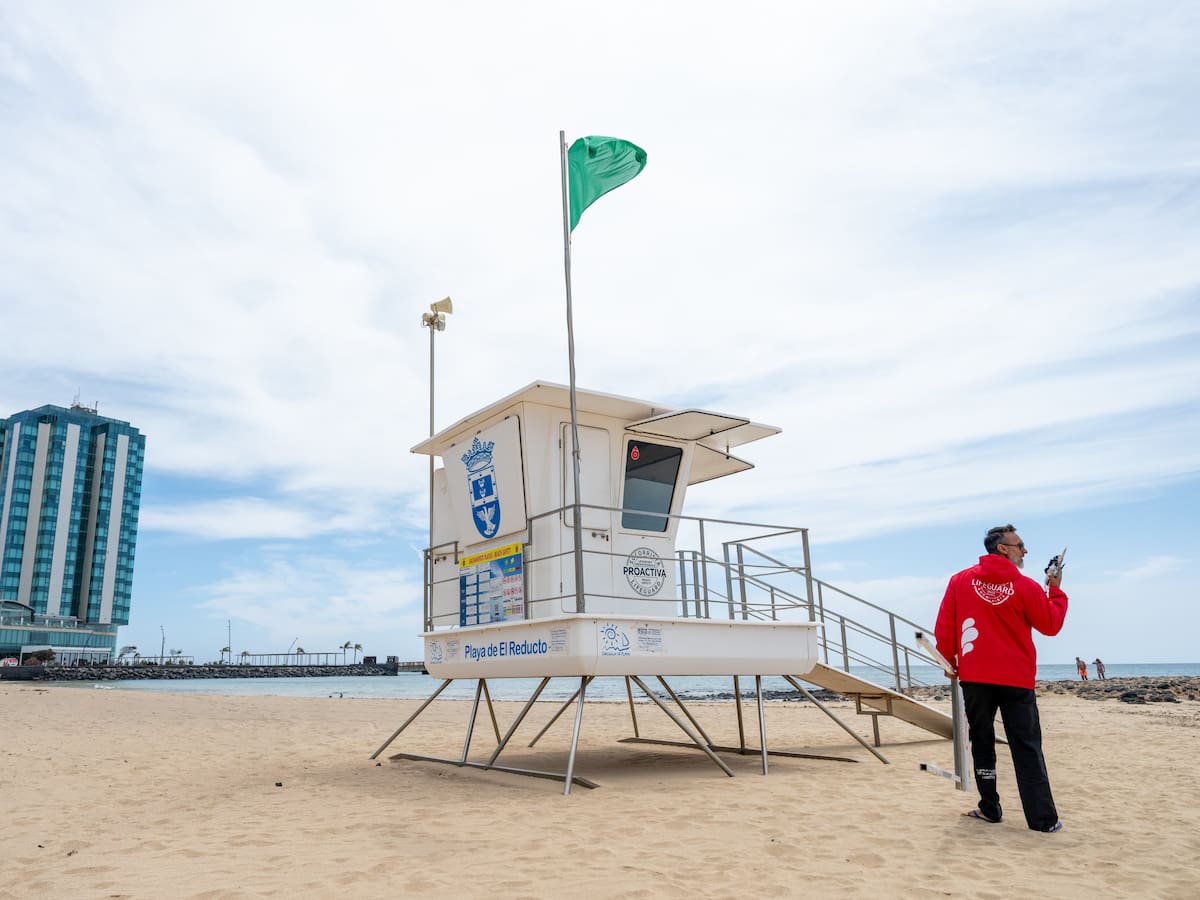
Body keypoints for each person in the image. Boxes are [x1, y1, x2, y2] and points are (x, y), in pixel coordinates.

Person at [935, 524, 1068, 833]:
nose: (1025, 551)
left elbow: (945, 627)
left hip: (976, 677)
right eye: (1020, 545)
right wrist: (1056, 591)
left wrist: (948, 661)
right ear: (1002, 548)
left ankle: (990, 808)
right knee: (1026, 747)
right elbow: (1050, 624)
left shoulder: (960, 581)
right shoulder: (1026, 586)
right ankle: (1043, 821)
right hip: (1015, 678)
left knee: (982, 742)